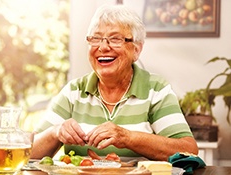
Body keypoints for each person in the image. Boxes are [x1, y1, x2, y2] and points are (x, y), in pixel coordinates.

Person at [30, 4, 198, 161]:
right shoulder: (74, 91)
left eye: (115, 39)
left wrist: (127, 138)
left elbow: (188, 151)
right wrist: (55, 132)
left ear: (136, 50)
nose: (103, 47)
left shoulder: (156, 90)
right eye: (96, 38)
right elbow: (29, 152)